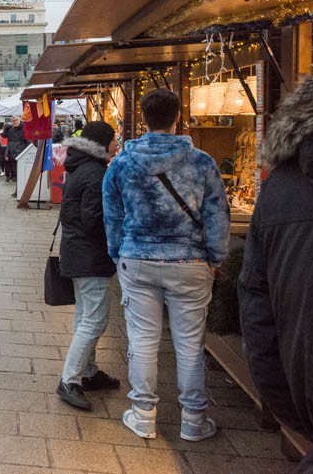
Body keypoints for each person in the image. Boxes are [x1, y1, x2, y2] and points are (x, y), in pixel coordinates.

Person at [103, 88, 229, 441]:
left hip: (137, 258)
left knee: (142, 338)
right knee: (190, 342)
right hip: (190, 261)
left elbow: (112, 217)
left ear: (143, 118)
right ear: (178, 117)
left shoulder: (122, 164)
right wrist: (215, 258)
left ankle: (143, 413)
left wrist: (118, 253)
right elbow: (218, 216)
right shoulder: (202, 163)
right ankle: (193, 418)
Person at [238, 72, 313, 474]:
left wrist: (298, 413)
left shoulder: (281, 186)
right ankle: (190, 414)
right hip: (182, 265)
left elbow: (258, 306)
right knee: (188, 345)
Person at [55, 122, 121, 411]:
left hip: (77, 253)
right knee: (95, 319)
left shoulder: (82, 168)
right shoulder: (95, 174)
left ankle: (90, 372)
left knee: (85, 316)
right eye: (114, 140)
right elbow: (94, 220)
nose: (117, 144)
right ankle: (69, 380)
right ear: (102, 143)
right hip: (89, 256)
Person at [1, 116, 27, 185]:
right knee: (12, 168)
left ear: (20, 120)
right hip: (12, 153)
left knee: (20, 172)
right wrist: (6, 153)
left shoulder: (25, 129)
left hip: (21, 153)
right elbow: (8, 143)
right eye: (13, 121)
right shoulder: (10, 130)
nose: (15, 122)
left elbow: (28, 142)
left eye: (16, 120)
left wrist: (26, 153)